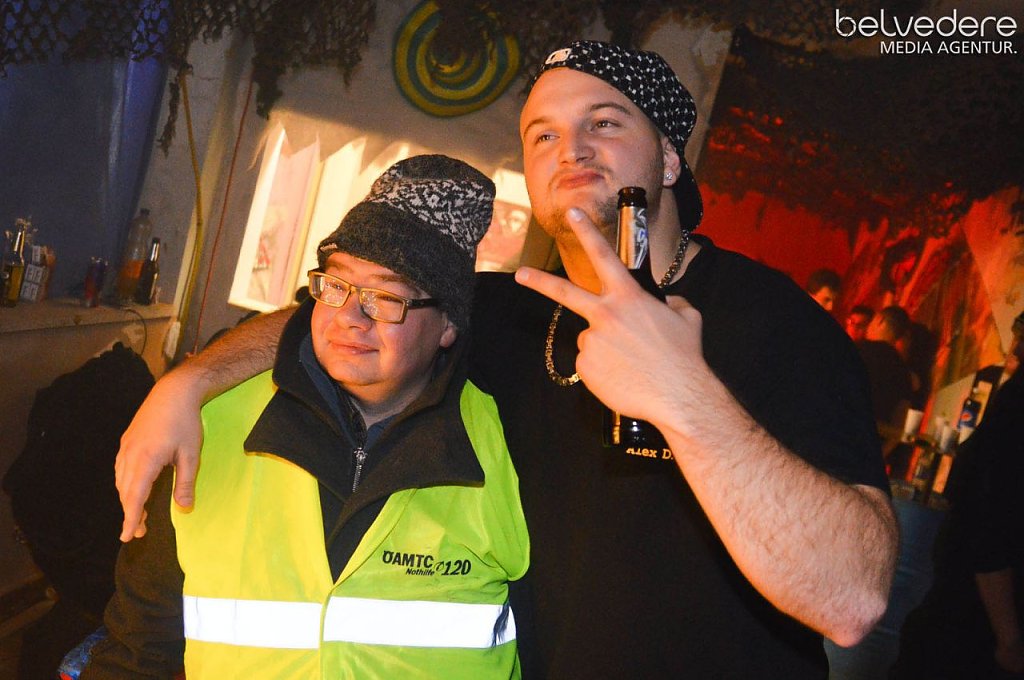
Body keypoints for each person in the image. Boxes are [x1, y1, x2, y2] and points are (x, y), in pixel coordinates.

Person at [114, 41, 897, 678]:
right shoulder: (505, 314)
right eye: (543, 135)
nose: (571, 148)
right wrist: (190, 382)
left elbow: (853, 599)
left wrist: (684, 395)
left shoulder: (772, 323)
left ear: (667, 160)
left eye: (604, 123)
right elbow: (343, 314)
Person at [83, 156, 530, 678]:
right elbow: (138, 648)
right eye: (336, 285)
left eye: (386, 297)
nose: (350, 318)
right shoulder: (209, 424)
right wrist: (186, 382)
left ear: (448, 324)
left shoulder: (509, 444)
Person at [894, 310, 1024, 679]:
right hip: (972, 630)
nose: (1014, 348)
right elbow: (990, 528)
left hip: (961, 616)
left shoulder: (1009, 400)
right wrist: (1009, 639)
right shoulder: (1011, 403)